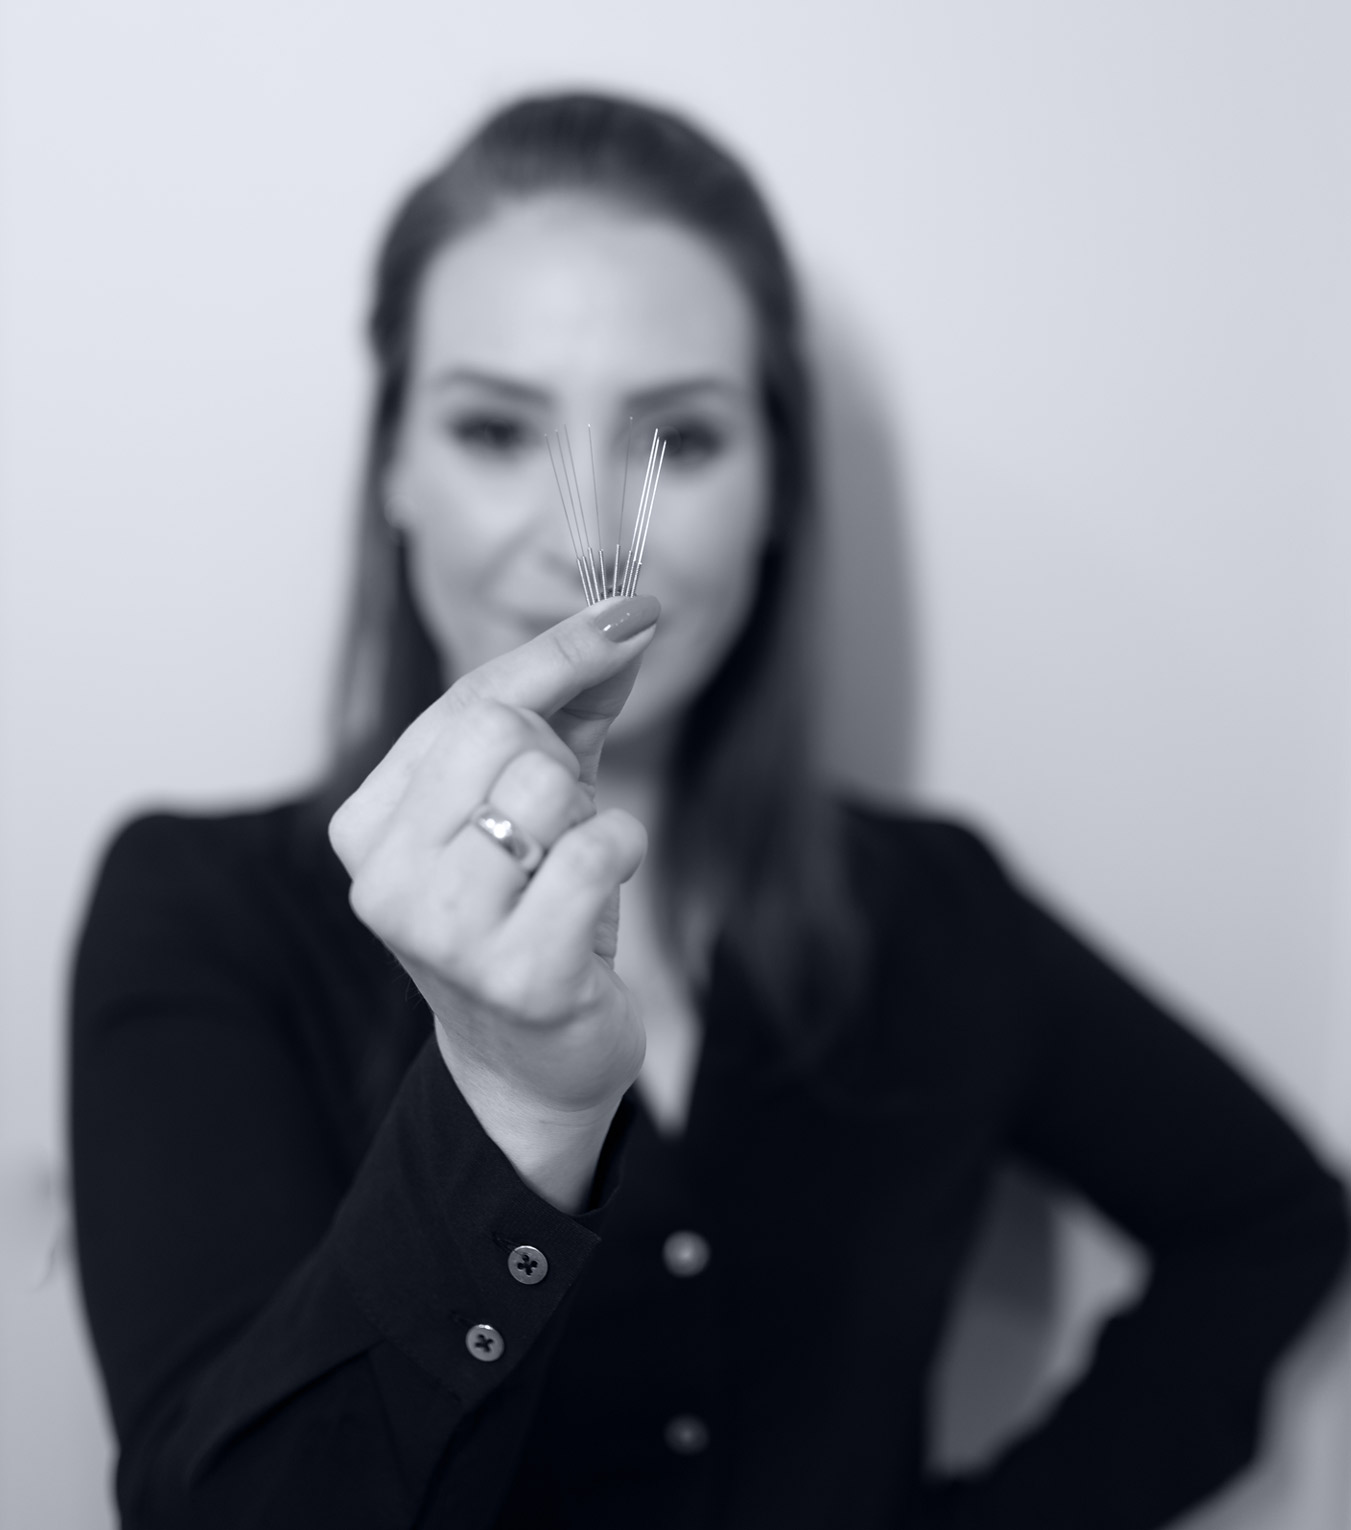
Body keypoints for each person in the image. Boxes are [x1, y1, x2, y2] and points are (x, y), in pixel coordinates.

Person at [70, 92, 1348, 1530]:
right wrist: (506, 1104)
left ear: (781, 489)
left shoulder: (932, 910)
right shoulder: (201, 911)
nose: (583, 546)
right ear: (395, 475)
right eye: (493, 428)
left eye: (678, 436)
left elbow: (1269, 1222)